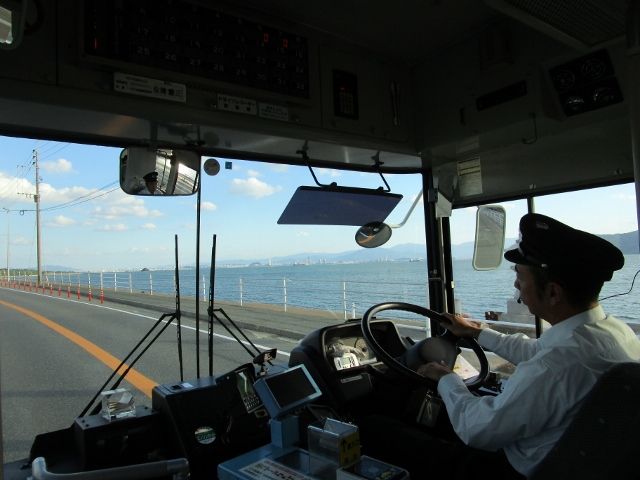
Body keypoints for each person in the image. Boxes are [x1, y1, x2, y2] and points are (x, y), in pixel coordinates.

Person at [359, 213, 640, 479]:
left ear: (553, 292)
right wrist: (476, 332)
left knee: (374, 427)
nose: (516, 285)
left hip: (509, 469)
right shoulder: (613, 332)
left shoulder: (554, 369)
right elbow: (535, 351)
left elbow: (475, 430)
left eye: (520, 277)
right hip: (563, 457)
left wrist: (446, 378)